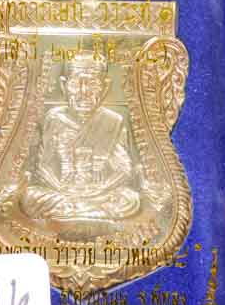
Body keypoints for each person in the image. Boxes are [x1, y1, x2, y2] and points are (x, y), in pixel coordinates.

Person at [20, 50, 140, 222]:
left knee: (130, 198)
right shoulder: (55, 118)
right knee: (30, 197)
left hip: (99, 194)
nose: (84, 92)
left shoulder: (112, 121)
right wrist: (61, 187)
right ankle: (88, 213)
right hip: (63, 193)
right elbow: (43, 166)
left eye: (92, 84)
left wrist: (99, 189)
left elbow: (124, 170)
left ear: (105, 87)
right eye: (76, 83)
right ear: (64, 86)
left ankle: (75, 211)